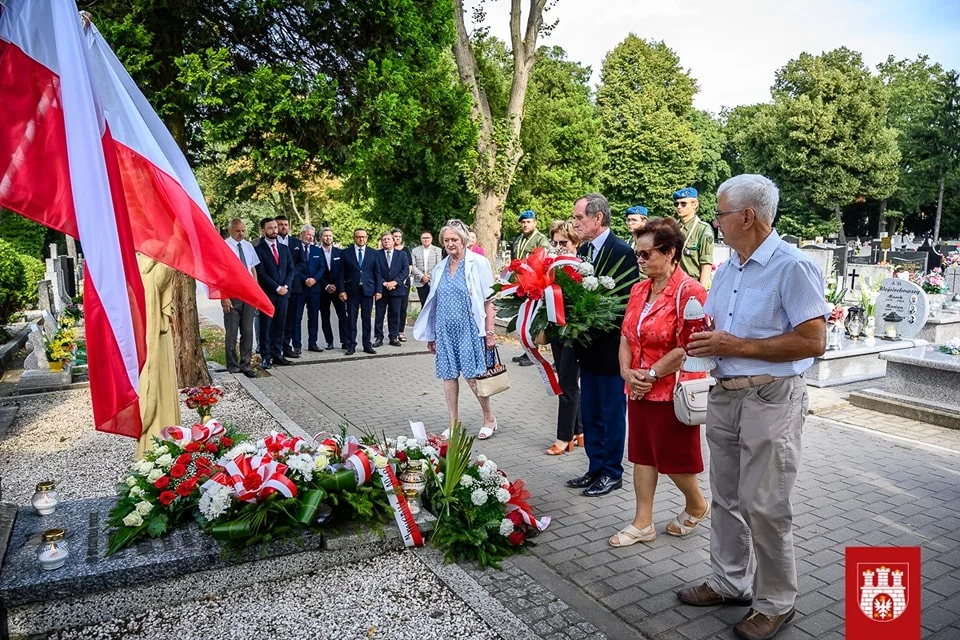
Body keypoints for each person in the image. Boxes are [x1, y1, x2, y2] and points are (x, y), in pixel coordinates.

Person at [677, 175, 830, 640]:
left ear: (747, 216)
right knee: (726, 497)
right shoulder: (729, 268)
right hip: (725, 394)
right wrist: (705, 342)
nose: (715, 223)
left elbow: (813, 340)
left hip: (771, 398)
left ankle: (776, 602)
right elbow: (720, 329)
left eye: (720, 214)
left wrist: (734, 342)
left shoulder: (792, 266)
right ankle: (729, 582)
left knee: (764, 505)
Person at [611, 217, 709, 547]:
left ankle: (696, 503)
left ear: (669, 253)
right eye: (638, 254)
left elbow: (689, 346)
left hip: (670, 390)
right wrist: (627, 373)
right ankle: (643, 523)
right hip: (638, 388)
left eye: (645, 254)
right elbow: (627, 335)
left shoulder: (690, 291)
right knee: (642, 455)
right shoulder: (639, 289)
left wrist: (651, 376)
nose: (639, 260)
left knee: (673, 460)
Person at [568, 193, 641, 497]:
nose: (575, 222)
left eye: (579, 217)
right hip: (587, 349)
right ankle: (595, 467)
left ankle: (613, 472)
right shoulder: (583, 250)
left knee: (611, 414)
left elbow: (627, 301)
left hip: (611, 350)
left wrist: (595, 318)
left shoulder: (623, 251)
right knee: (591, 411)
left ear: (598, 218)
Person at [413, 219, 499, 440]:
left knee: (473, 377)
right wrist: (432, 335)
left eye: (454, 239)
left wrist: (490, 333)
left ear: (463, 240)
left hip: (469, 329)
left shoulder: (478, 263)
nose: (450, 244)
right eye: (446, 240)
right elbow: (434, 303)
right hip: (444, 330)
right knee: (449, 377)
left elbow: (489, 300)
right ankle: (453, 423)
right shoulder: (440, 267)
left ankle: (489, 418)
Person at [544, 220, 584, 456]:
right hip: (557, 330)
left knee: (566, 384)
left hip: (574, 331)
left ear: (575, 242)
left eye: (564, 242)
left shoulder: (581, 266)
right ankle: (579, 430)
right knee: (567, 380)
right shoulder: (552, 267)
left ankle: (563, 437)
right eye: (555, 242)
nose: (559, 247)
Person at [136, 254, 180, 458]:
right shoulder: (142, 261)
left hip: (155, 335)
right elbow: (162, 275)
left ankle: (163, 441)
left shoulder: (140, 259)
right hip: (147, 334)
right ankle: (156, 446)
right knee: (153, 384)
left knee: (162, 383)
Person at [254, 217, 294, 368]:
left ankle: (278, 354)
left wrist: (286, 287)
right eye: (270, 228)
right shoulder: (258, 249)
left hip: (284, 294)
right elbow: (261, 273)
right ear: (263, 230)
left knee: (280, 324)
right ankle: (266, 356)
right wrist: (277, 287)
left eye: (275, 227)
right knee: (266, 326)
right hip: (268, 294)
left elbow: (291, 269)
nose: (274, 231)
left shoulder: (284, 248)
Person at [511, 210, 550, 367]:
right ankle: (527, 350)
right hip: (521, 283)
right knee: (523, 317)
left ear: (535, 222)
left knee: (533, 317)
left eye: (528, 222)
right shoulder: (519, 239)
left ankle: (533, 352)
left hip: (535, 283)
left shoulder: (541, 239)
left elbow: (544, 259)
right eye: (523, 222)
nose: (525, 225)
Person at [222, 218, 260, 377]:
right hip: (232, 293)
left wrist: (255, 292)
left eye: (243, 231)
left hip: (248, 294)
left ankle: (246, 364)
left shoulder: (248, 246)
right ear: (230, 230)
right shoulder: (224, 246)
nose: (241, 234)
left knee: (247, 331)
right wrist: (224, 296)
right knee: (232, 331)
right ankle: (232, 364)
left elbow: (252, 268)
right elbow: (220, 273)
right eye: (238, 231)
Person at [340, 228, 382, 355]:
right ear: (354, 238)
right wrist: (341, 290)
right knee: (351, 319)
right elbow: (340, 273)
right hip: (352, 290)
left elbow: (377, 273)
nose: (361, 239)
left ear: (367, 238)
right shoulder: (346, 253)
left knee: (367, 319)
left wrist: (378, 290)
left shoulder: (373, 253)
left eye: (363, 237)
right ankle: (351, 344)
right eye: (358, 237)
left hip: (367, 291)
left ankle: (367, 344)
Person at [673, 187, 715, 288]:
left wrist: (701, 292)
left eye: (683, 204)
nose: (679, 207)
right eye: (676, 204)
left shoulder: (703, 229)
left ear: (694, 205)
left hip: (691, 285)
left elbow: (706, 264)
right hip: (673, 284)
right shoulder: (673, 228)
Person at [374, 232, 410, 347]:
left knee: (395, 314)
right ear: (381, 242)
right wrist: (384, 283)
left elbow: (405, 271)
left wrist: (395, 282)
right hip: (381, 289)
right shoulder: (376, 254)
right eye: (384, 239)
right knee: (379, 314)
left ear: (393, 241)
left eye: (388, 239)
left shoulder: (402, 254)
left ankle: (393, 337)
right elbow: (375, 271)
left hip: (397, 289)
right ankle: (378, 337)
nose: (386, 241)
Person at [276, 216, 305, 358]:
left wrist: (291, 275)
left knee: (291, 319)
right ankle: (275, 348)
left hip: (294, 287)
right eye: (280, 225)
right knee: (277, 320)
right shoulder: (272, 243)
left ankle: (287, 347)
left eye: (286, 224)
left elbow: (302, 262)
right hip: (277, 287)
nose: (283, 227)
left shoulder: (296, 242)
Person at [317, 227, 347, 350]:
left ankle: (345, 340)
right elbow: (315, 271)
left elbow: (343, 272)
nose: (328, 238)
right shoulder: (316, 252)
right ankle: (329, 341)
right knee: (325, 316)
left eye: (330, 235)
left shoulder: (340, 253)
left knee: (342, 315)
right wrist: (326, 285)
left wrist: (337, 286)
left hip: (338, 289)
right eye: (325, 236)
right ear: (320, 238)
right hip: (323, 289)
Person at [299, 227, 325, 352]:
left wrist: (314, 279)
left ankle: (312, 343)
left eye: (312, 235)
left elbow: (322, 267)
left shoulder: (317, 250)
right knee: (297, 317)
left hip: (315, 289)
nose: (310, 237)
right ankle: (297, 345)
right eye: (308, 235)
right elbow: (294, 267)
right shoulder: (296, 249)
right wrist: (305, 279)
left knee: (314, 317)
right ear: (302, 234)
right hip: (300, 288)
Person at [411, 231, 442, 306]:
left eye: (428, 237)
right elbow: (413, 265)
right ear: (421, 239)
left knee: (434, 304)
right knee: (423, 304)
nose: (426, 239)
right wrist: (422, 276)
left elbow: (439, 265)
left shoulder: (438, 250)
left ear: (431, 239)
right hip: (420, 281)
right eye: (423, 238)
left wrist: (429, 276)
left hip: (433, 281)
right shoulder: (415, 250)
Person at [392, 228, 412, 342]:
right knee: (393, 309)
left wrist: (403, 279)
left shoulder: (405, 250)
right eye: (395, 236)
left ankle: (401, 332)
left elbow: (409, 267)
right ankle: (392, 332)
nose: (397, 239)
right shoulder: (388, 250)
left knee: (402, 308)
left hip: (404, 283)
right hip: (391, 283)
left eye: (399, 237)